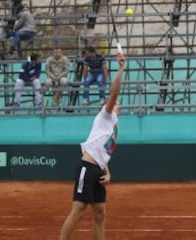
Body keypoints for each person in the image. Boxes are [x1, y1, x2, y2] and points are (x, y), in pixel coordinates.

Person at [59, 52, 125, 240]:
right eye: (116, 104)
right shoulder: (106, 114)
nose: (118, 105)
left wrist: (108, 171)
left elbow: (102, 151)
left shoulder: (112, 125)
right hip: (87, 168)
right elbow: (115, 92)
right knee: (78, 210)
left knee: (100, 214)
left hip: (99, 170)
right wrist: (120, 68)